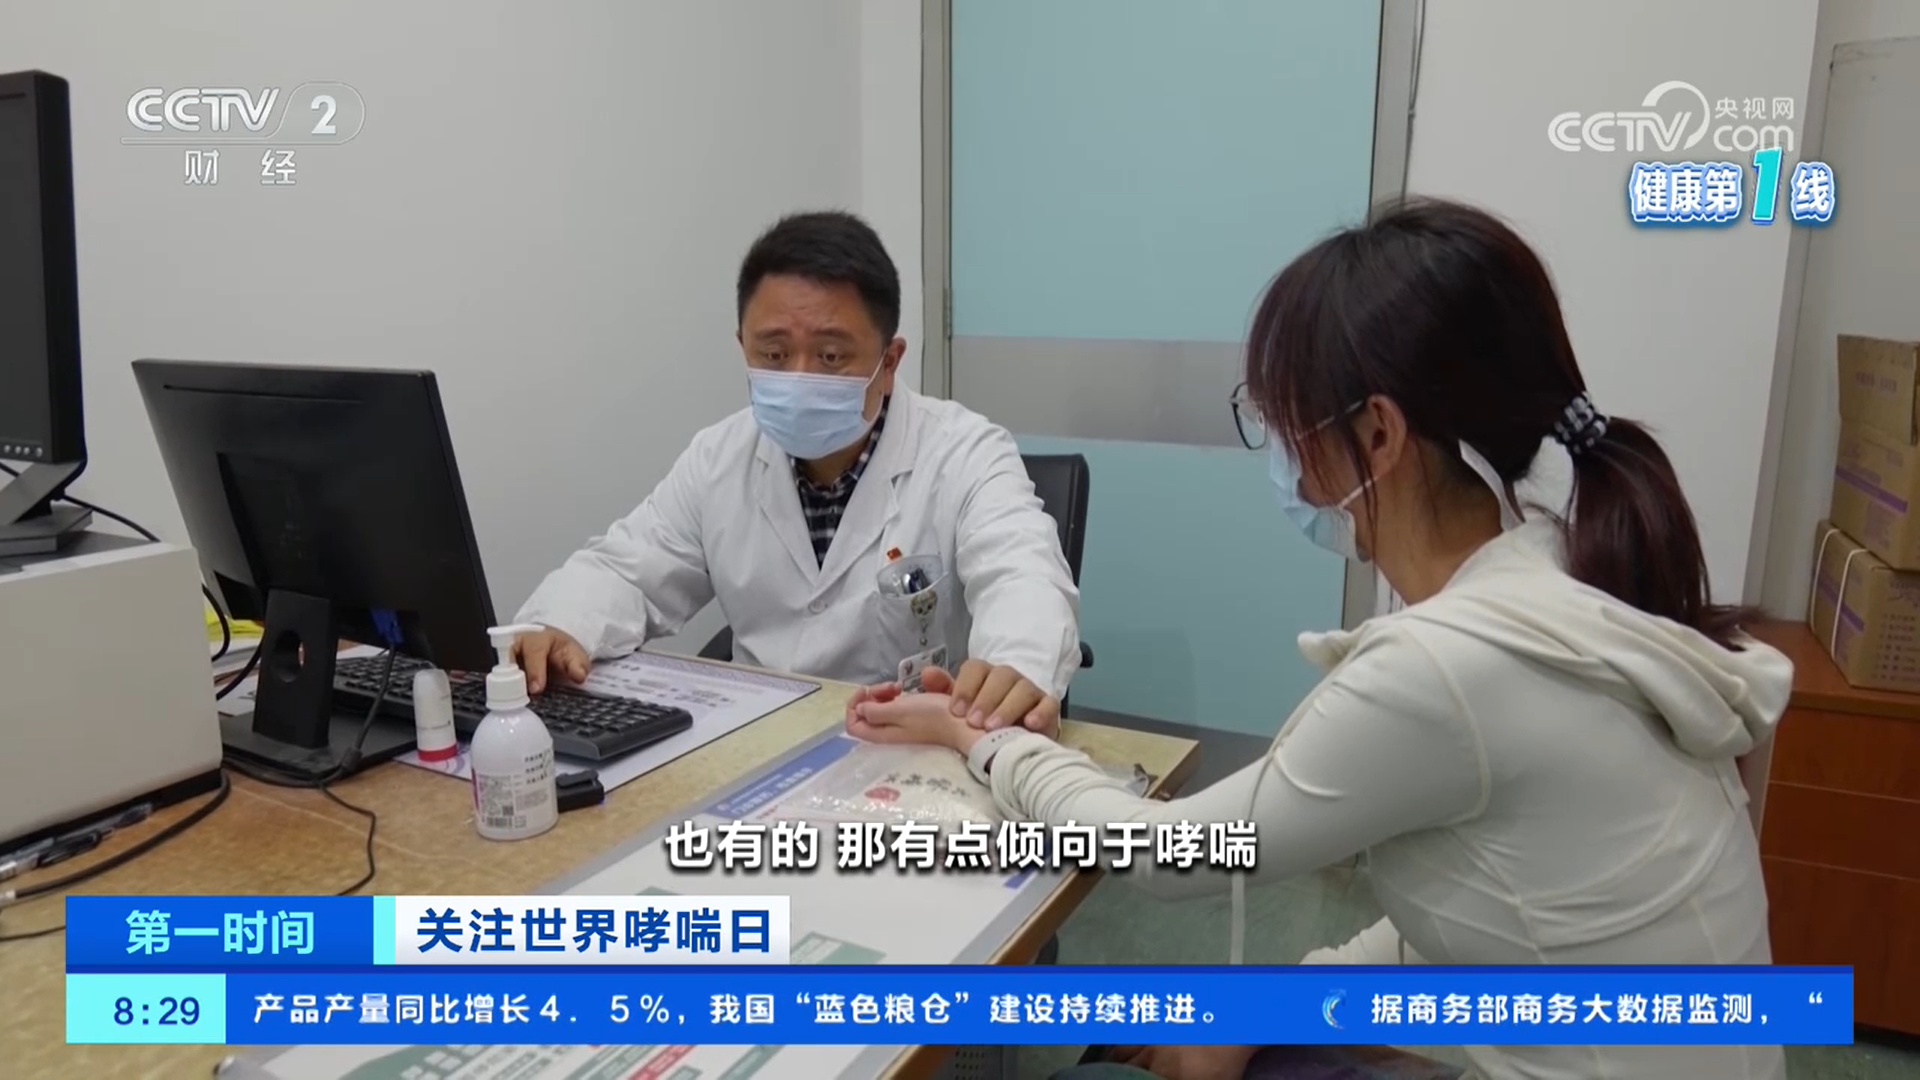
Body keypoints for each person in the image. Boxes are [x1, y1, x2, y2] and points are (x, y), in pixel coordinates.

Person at [844, 199, 1791, 1080]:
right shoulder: (1556, 576)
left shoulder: (1452, 665)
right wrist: (1258, 1014)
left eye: (1285, 423)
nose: (1287, 465)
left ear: (1377, 434)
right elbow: (1481, 911)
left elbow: (1173, 858)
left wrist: (980, 738)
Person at [514, 210, 1080, 733]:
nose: (800, 377)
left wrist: (1016, 663)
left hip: (909, 742)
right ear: (743, 346)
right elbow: (629, 570)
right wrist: (561, 624)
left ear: (889, 361)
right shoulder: (718, 458)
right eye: (774, 354)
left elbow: (1022, 573)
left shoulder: (964, 451)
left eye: (831, 356)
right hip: (754, 742)